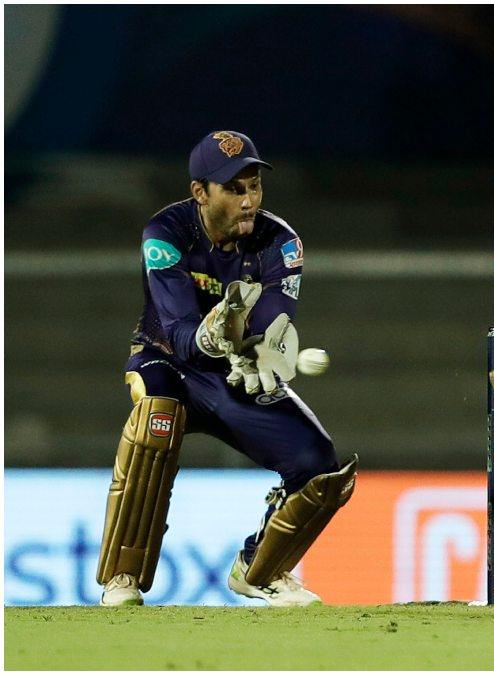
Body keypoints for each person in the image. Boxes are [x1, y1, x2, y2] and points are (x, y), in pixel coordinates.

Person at [96, 131, 357, 607]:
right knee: (156, 416)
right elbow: (177, 329)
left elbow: (274, 322)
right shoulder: (166, 233)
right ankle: (123, 576)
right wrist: (208, 336)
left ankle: (260, 571)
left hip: (234, 372)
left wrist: (262, 352)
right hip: (167, 360)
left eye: (254, 187)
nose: (249, 200)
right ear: (200, 192)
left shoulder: (281, 243)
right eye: (234, 190)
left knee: (320, 467)